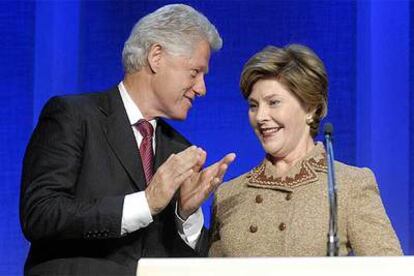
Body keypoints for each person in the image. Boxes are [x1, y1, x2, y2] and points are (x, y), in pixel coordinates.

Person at [20, 4, 235, 275]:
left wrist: (186, 216)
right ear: (156, 56)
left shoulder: (178, 151)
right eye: (195, 72)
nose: (202, 88)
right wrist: (145, 203)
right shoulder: (74, 116)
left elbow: (182, 263)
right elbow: (40, 214)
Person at [208, 44, 402, 257]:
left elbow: (389, 268)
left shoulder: (348, 185)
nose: (260, 116)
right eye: (253, 106)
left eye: (273, 102)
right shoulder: (229, 194)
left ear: (311, 108)